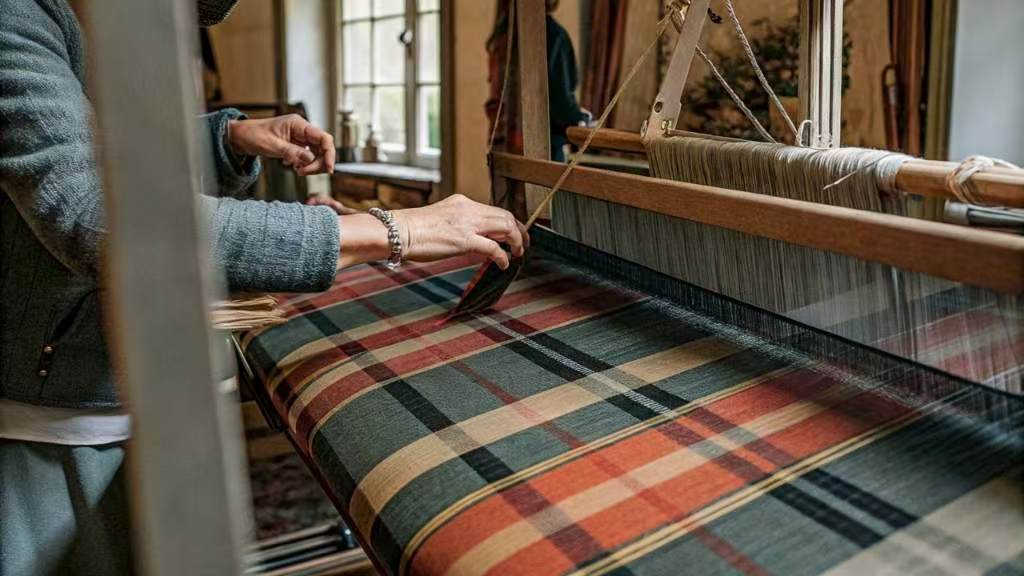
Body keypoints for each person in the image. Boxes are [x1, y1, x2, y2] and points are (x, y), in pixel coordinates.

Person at [0, 1, 527, 574]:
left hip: (113, 378)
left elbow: (100, 149)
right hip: (45, 414)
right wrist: (393, 228)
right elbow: (100, 214)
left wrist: (229, 140)